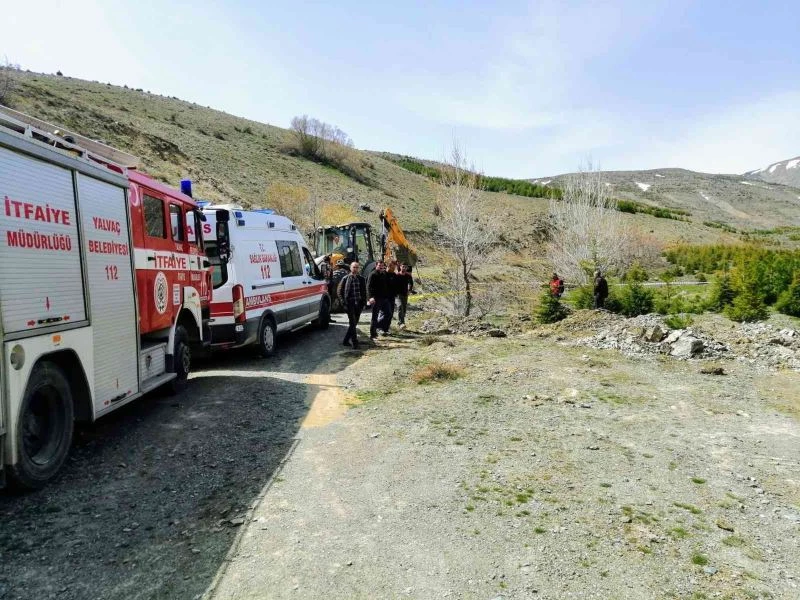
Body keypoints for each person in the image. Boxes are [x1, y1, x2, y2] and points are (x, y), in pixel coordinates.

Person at [337, 261, 367, 348]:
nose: (355, 269)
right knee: (353, 323)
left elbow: (364, 292)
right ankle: (355, 343)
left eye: (357, 267)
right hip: (350, 304)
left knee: (354, 323)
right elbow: (339, 291)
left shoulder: (361, 279)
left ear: (359, 268)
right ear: (350, 268)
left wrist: (364, 303)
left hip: (359, 304)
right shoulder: (345, 279)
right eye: (354, 267)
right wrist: (343, 303)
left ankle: (346, 340)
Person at [367, 260, 390, 339]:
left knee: (388, 313)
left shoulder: (383, 274)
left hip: (384, 298)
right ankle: (373, 334)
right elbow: (368, 287)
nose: (381, 267)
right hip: (376, 299)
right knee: (375, 316)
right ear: (376, 265)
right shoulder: (373, 274)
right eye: (379, 265)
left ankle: (377, 326)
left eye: (382, 265)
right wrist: (370, 297)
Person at [395, 263, 414, 328]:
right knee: (400, 306)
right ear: (400, 267)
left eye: (405, 267)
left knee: (404, 309)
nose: (404, 268)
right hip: (397, 295)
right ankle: (402, 323)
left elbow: (411, 283)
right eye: (403, 267)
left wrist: (409, 290)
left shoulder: (408, 276)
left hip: (405, 294)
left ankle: (400, 322)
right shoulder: (397, 275)